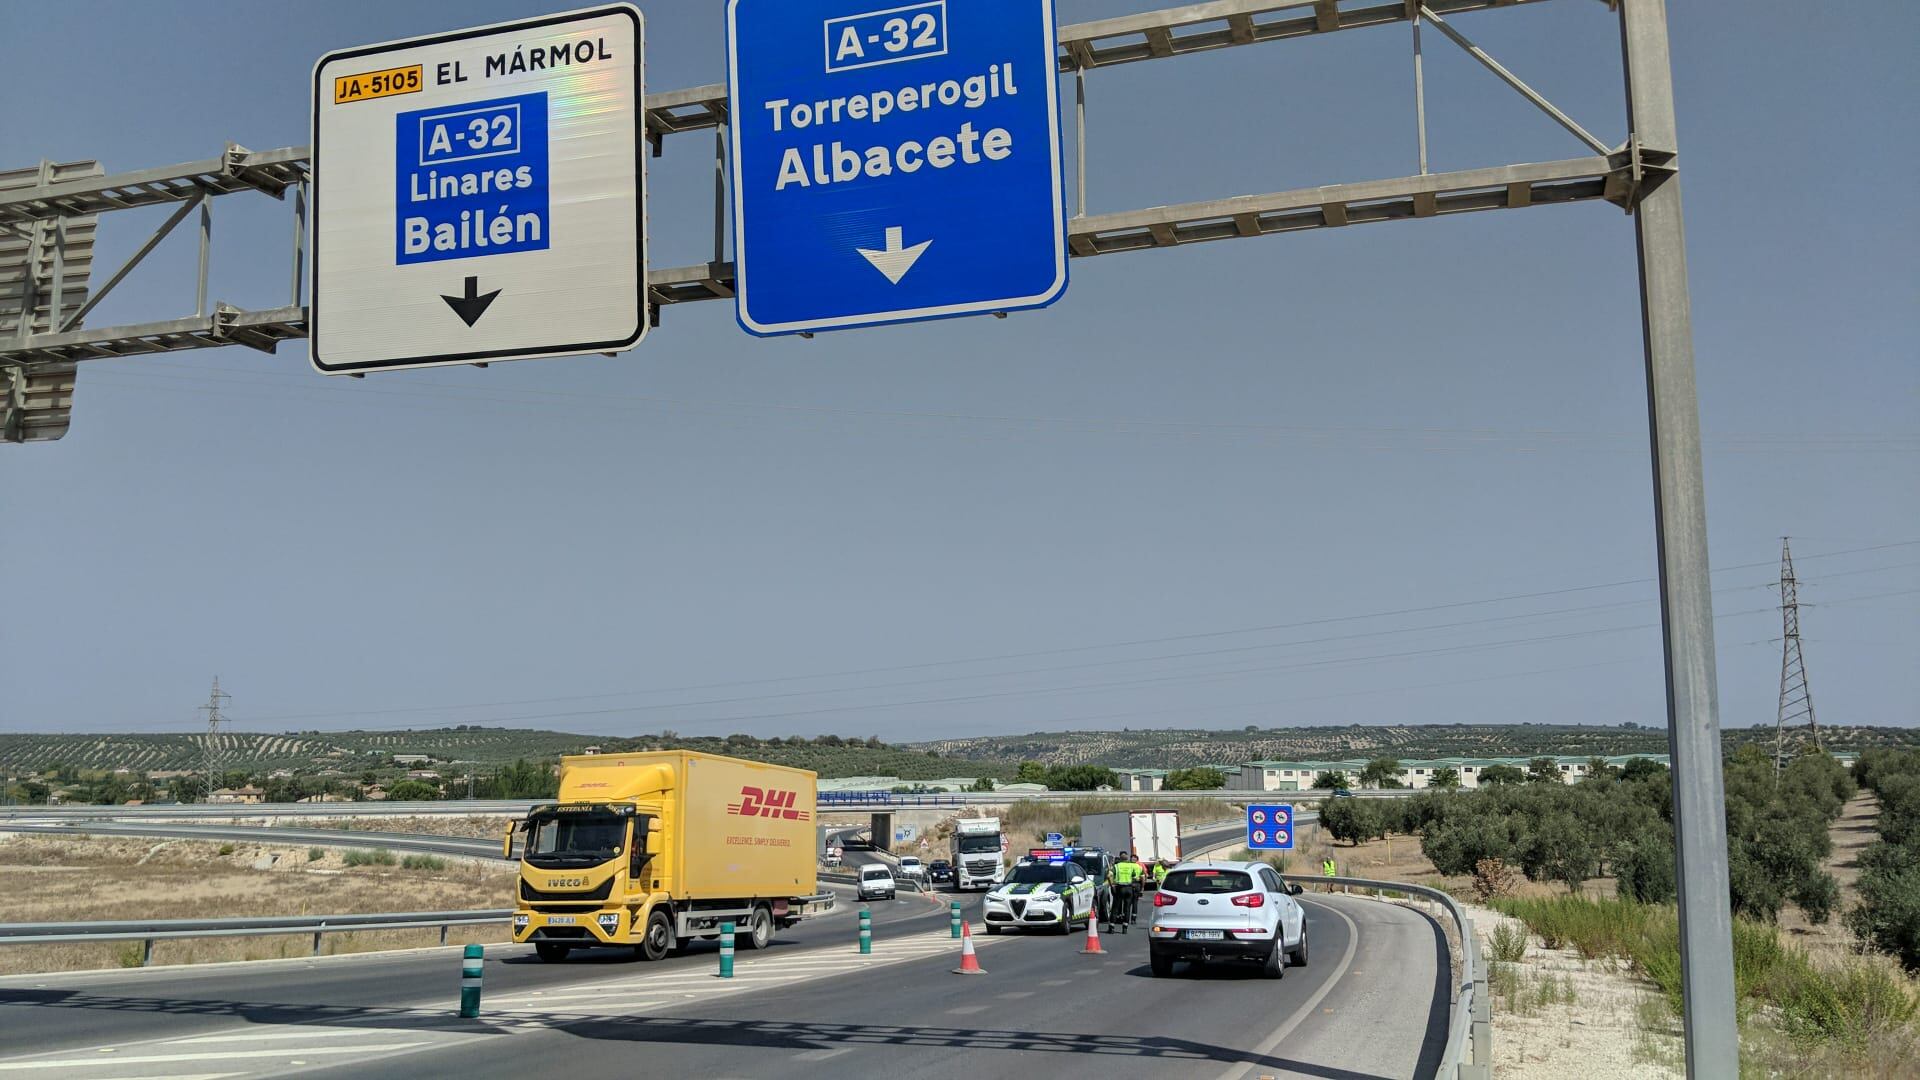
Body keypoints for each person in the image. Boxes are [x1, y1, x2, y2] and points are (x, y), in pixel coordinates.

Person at [1111, 850, 1144, 929]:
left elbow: (1109, 875)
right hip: (1130, 887)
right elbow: (1135, 876)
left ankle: (1112, 925)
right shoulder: (1133, 866)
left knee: (1115, 907)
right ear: (1127, 859)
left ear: (1120, 858)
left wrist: (1112, 885)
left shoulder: (1116, 866)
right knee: (1128, 907)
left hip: (1119, 887)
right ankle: (1125, 926)